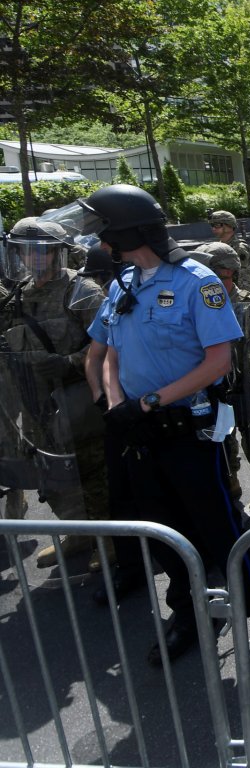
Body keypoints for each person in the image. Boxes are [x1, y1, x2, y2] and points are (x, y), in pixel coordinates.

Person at [79, 183, 250, 665]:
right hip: (139, 432)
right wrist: (116, 405)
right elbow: (109, 352)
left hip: (187, 431)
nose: (99, 238)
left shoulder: (199, 282)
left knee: (222, 530)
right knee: (162, 532)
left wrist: (148, 401)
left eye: (105, 228)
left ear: (127, 230)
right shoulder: (123, 282)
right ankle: (189, 615)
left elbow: (217, 362)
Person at [0, 218, 109, 569]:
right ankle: (78, 533)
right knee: (53, 475)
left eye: (41, 250)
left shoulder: (82, 291)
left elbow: (110, 342)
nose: (33, 257)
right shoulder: (18, 295)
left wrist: (69, 362)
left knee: (94, 473)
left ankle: (109, 544)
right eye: (25, 250)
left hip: (78, 399)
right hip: (36, 402)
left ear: (57, 252)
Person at [193, 242, 250, 513]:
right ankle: (231, 479)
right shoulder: (200, 305)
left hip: (248, 389)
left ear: (225, 273)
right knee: (220, 439)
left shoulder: (249, 308)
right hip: (213, 387)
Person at [208, 210, 250, 292]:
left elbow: (244, 277)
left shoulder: (240, 248)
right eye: (212, 225)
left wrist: (242, 300)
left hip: (234, 294)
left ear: (229, 225)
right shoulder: (217, 247)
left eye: (217, 225)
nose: (213, 228)